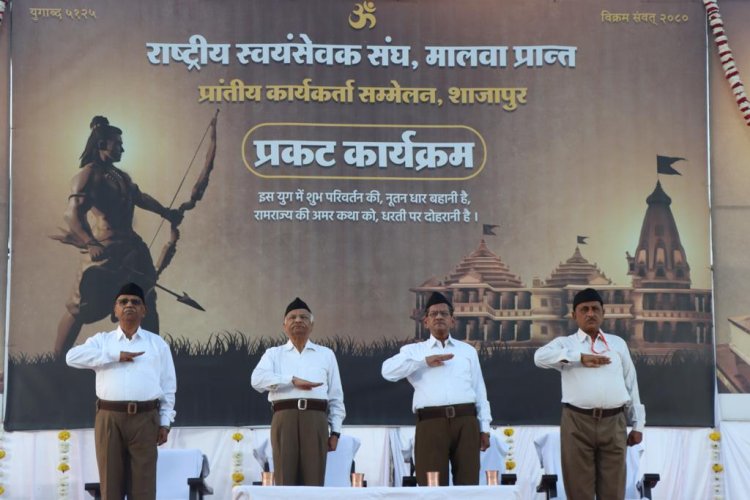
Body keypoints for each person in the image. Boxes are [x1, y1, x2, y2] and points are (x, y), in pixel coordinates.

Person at [53, 115, 182, 356]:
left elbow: (140, 198)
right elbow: (72, 215)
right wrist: (90, 242)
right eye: (118, 144)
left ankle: (151, 354)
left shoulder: (120, 176)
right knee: (80, 306)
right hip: (105, 248)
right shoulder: (88, 175)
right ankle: (57, 361)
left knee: (146, 296)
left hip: (132, 247)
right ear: (102, 144)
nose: (122, 148)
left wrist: (166, 212)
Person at [66, 282, 176, 500]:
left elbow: (168, 386)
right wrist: (115, 356)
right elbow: (71, 357)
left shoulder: (157, 344)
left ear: (144, 310)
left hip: (146, 418)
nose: (129, 305)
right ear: (115, 310)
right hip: (110, 418)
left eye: (135, 302)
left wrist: (165, 422)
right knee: (110, 487)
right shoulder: (102, 341)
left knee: (144, 488)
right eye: (123, 301)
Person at [534, 287, 645, 500]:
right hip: (577, 422)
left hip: (614, 422)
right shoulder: (565, 344)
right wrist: (579, 358)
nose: (590, 314)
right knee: (579, 491)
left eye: (595, 309)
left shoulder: (617, 343)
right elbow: (539, 358)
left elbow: (631, 384)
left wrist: (638, 424)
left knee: (614, 492)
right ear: (574, 315)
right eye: (584, 309)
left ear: (603, 313)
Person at [381, 291, 492, 486]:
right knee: (431, 486)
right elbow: (387, 371)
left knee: (468, 485)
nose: (439, 317)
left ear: (452, 321)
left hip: (466, 422)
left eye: (444, 313)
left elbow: (479, 391)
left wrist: (485, 428)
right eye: (433, 314)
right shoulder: (414, 351)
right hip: (431, 422)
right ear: (426, 322)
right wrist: (424, 361)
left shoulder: (467, 351)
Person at [251, 297, 346, 486]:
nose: (298, 320)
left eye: (303, 317)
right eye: (292, 317)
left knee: (314, 480)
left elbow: (336, 397)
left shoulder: (326, 354)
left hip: (316, 419)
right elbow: (257, 380)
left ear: (312, 325)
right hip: (284, 418)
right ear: (284, 325)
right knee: (285, 479)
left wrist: (335, 432)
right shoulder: (273, 354)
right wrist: (291, 381)